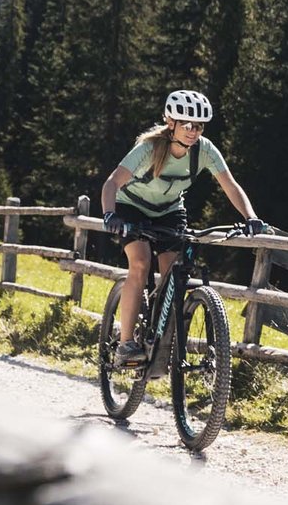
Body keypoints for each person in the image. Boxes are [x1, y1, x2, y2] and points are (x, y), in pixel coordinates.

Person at [98, 89, 267, 366]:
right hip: (132, 208)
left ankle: (161, 338)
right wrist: (109, 215)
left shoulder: (205, 151)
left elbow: (230, 186)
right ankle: (126, 344)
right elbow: (112, 183)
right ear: (171, 122)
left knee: (174, 276)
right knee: (140, 264)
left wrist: (251, 217)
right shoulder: (149, 148)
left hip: (169, 212)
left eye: (198, 126)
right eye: (186, 124)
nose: (193, 131)